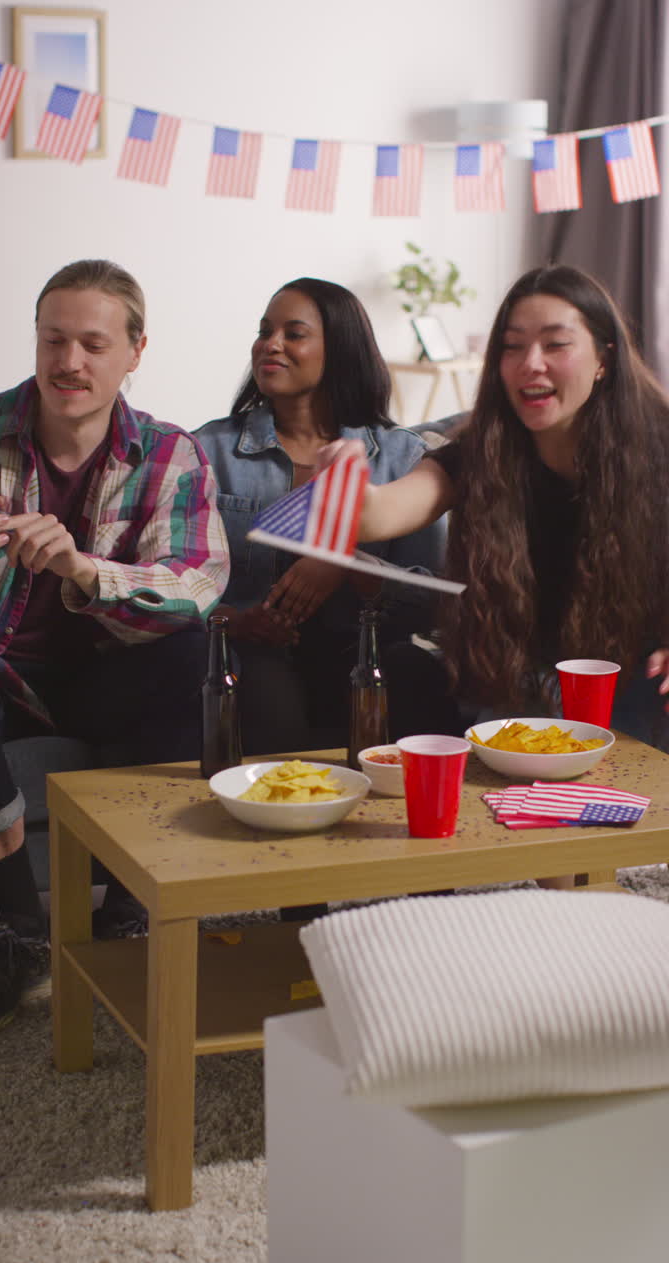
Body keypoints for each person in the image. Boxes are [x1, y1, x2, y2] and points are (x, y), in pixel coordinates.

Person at [0, 258, 229, 1031]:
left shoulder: (171, 453)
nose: (69, 363)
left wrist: (85, 569)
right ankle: (20, 931)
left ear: (135, 352)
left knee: (187, 655)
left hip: (107, 672)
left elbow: (198, 584)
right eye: (54, 340)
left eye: (94, 345)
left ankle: (130, 909)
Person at [319, 265, 669, 881]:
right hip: (520, 663)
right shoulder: (481, 446)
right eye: (512, 345)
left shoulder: (659, 442)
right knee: (416, 671)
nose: (530, 363)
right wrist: (345, 475)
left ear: (603, 359)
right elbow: (383, 512)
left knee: (601, 758)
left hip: (631, 663)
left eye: (555, 344)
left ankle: (583, 888)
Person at [194, 276, 459, 756]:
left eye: (293, 334)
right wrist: (236, 620)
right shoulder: (206, 452)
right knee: (263, 687)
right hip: (250, 652)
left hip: (367, 650)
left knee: (417, 675)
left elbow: (434, 599)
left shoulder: (402, 456)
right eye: (264, 331)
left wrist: (347, 564)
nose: (270, 345)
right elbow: (176, 582)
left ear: (339, 349)